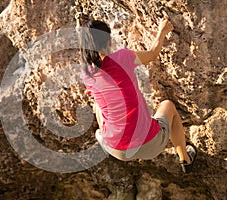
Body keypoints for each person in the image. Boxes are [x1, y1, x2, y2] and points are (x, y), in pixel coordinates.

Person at [80, 18, 197, 173]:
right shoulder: (123, 58)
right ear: (107, 41)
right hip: (150, 144)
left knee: (97, 104)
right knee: (168, 106)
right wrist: (162, 31)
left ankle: (110, 134)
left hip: (116, 150)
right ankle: (185, 159)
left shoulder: (87, 74)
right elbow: (152, 54)